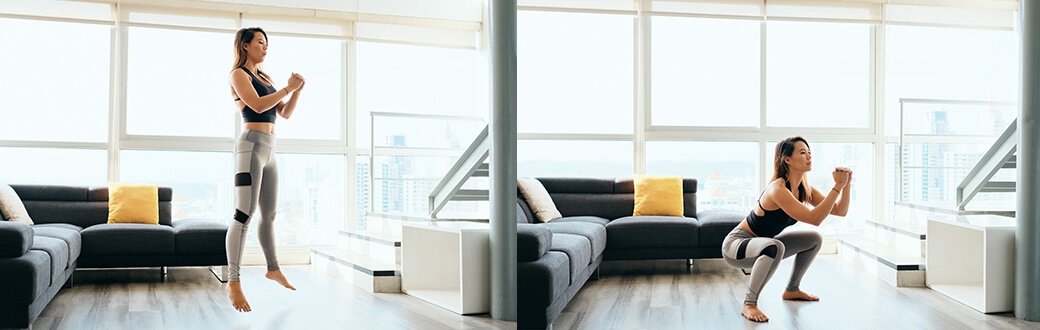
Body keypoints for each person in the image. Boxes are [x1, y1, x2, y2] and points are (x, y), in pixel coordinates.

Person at [721, 136, 851, 322]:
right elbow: (815, 218)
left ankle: (792, 289)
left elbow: (840, 211)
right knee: (775, 246)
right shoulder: (778, 189)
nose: (809, 156)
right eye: (802, 152)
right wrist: (837, 185)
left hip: (765, 245)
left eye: (810, 152)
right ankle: (749, 304)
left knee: (814, 239)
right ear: (787, 159)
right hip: (736, 246)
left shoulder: (804, 188)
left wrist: (846, 185)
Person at [225, 26, 306, 313]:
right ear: (245, 45)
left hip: (270, 150)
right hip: (250, 147)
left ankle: (272, 268)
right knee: (243, 214)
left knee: (269, 215)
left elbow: (282, 113)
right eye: (260, 42)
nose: (265, 47)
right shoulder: (239, 75)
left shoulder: (265, 77)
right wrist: (287, 88)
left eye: (267, 43)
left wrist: (296, 91)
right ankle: (233, 281)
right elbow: (257, 105)